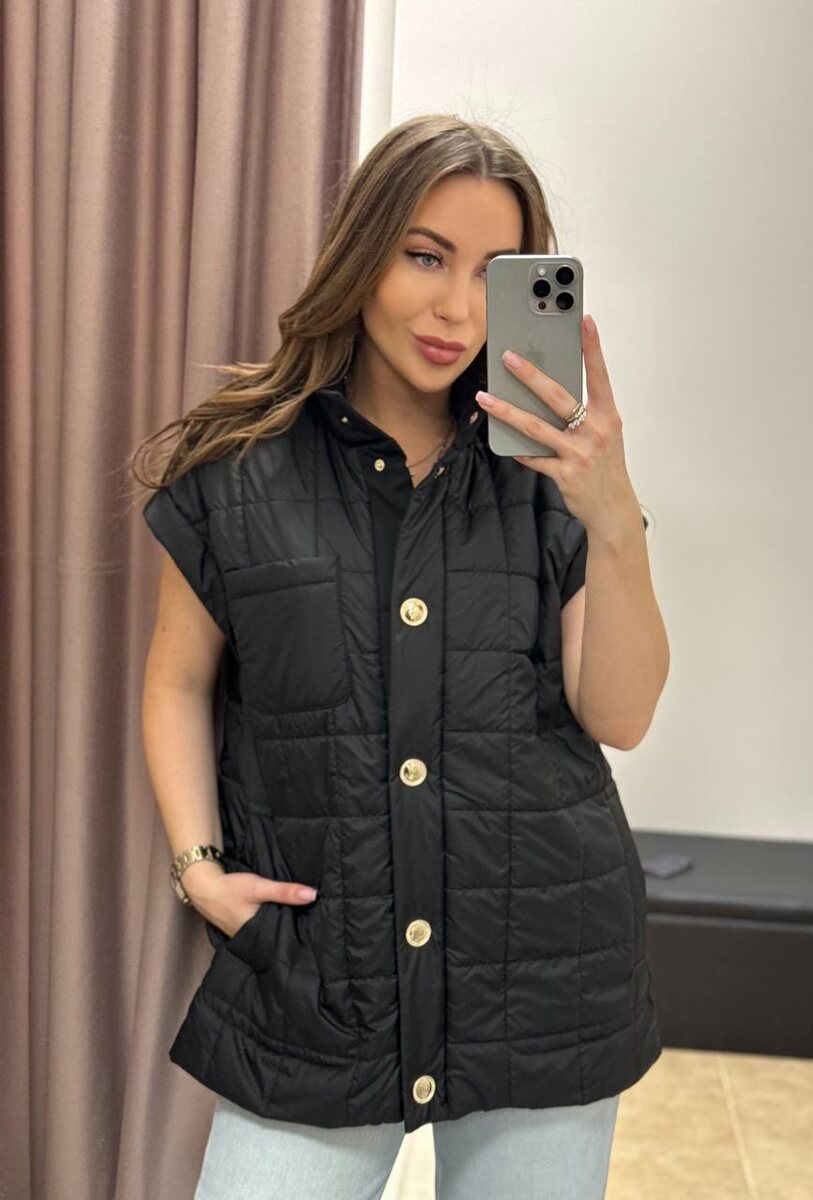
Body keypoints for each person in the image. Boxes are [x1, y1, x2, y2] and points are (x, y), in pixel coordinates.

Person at [132, 112, 668, 1199]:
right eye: (426, 256)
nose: (456, 308)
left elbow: (619, 715)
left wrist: (613, 519)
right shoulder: (237, 468)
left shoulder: (551, 482)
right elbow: (177, 684)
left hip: (543, 977)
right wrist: (200, 872)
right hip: (318, 987)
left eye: (488, 271)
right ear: (363, 250)